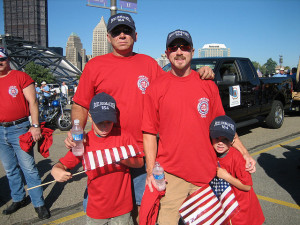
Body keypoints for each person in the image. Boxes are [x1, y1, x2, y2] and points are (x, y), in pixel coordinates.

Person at [64, 13, 217, 223]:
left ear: (135, 35)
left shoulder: (148, 64)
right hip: (109, 153)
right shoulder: (94, 65)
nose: (122, 35)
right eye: (116, 32)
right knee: (103, 211)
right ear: (108, 37)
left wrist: (201, 72)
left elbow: (178, 79)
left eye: (127, 31)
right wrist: (77, 132)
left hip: (141, 153)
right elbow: (80, 104)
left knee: (141, 209)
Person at [141, 29, 255, 225]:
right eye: (173, 47)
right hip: (171, 176)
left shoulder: (208, 85)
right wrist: (151, 172)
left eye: (184, 47)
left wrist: (244, 153)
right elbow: (149, 132)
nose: (179, 52)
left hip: (205, 175)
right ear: (166, 53)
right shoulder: (155, 88)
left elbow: (223, 126)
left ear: (192, 51)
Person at [51, 92, 143, 224]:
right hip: (96, 211)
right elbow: (62, 164)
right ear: (90, 117)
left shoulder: (124, 137)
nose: (105, 127)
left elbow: (139, 162)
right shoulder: (84, 141)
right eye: (100, 122)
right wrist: (56, 170)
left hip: (122, 209)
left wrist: (119, 157)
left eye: (109, 122)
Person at [0, 47, 50, 219]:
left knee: (28, 167)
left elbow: (33, 102)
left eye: (3, 59)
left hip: (19, 128)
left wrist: (35, 126)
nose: (0, 62)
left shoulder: (20, 77)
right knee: (10, 169)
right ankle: (18, 198)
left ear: (8, 59)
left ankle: (39, 203)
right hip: (0, 130)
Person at [209, 115, 265, 225]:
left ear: (232, 141)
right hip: (227, 204)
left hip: (242, 207)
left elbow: (247, 186)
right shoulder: (212, 153)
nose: (220, 143)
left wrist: (226, 176)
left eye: (225, 139)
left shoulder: (237, 158)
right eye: (217, 138)